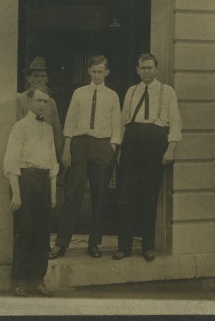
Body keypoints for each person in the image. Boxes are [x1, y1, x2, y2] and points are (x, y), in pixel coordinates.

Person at [49, 55, 121, 259]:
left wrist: (112, 150)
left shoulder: (113, 96)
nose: (97, 75)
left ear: (107, 72)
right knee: (72, 194)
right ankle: (61, 244)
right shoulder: (79, 93)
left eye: (101, 71)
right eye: (94, 71)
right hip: (79, 145)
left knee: (100, 196)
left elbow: (117, 125)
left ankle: (94, 243)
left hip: (102, 145)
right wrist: (67, 148)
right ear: (89, 71)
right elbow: (70, 122)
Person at [114, 53, 182, 262]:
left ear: (156, 69)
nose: (146, 72)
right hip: (131, 144)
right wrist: (118, 148)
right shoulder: (131, 91)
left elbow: (176, 122)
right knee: (126, 195)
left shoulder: (167, 91)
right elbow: (121, 121)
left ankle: (148, 246)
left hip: (155, 144)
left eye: (150, 68)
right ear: (137, 70)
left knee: (149, 196)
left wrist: (170, 149)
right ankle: (124, 247)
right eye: (143, 68)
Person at [3, 85, 59, 297]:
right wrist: (16, 193)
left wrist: (53, 193)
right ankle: (19, 281)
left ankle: (37, 280)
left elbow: (53, 162)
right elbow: (11, 162)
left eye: (46, 101)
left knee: (42, 234)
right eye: (39, 101)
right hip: (25, 181)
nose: (43, 105)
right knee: (24, 232)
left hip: (44, 182)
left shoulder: (47, 129)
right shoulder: (20, 127)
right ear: (29, 102)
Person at [17, 57, 64, 165]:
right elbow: (19, 131)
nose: (39, 79)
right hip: (29, 155)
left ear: (47, 79)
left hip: (48, 152)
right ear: (29, 78)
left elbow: (57, 131)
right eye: (36, 76)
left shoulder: (51, 102)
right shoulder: (21, 99)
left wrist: (59, 155)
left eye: (42, 76)